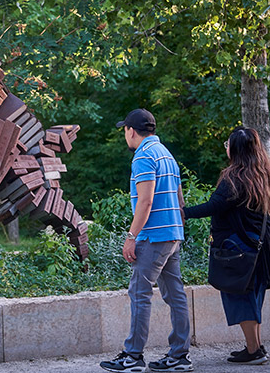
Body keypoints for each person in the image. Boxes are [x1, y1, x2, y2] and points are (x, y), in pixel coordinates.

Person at [100, 109, 192, 373]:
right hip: (172, 233)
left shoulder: (143, 156)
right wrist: (178, 226)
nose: (124, 136)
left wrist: (131, 237)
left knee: (139, 292)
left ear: (131, 130)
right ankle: (179, 356)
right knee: (175, 295)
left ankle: (133, 356)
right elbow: (179, 198)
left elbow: (146, 200)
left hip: (154, 236)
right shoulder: (166, 154)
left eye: (124, 131)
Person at [182, 126, 270, 365]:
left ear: (235, 150)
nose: (225, 146)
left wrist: (183, 213)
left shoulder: (234, 177)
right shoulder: (263, 174)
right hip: (260, 246)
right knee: (252, 295)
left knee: (240, 296)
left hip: (240, 247)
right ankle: (254, 347)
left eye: (228, 143)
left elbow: (213, 206)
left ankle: (254, 350)